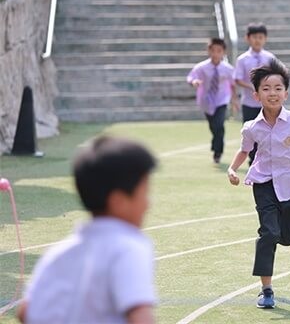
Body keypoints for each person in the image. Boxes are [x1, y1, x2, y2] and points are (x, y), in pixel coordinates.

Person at [227, 58, 290, 308]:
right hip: (264, 183)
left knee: (287, 237)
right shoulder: (251, 127)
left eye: (277, 88)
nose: (272, 93)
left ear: (286, 93)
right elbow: (244, 150)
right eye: (266, 88)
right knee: (268, 233)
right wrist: (232, 169)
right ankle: (266, 289)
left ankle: (287, 234)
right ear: (256, 95)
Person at [18, 137, 157, 324]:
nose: (148, 204)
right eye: (144, 194)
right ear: (118, 202)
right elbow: (140, 316)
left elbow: (25, 311)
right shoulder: (128, 247)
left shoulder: (58, 252)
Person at [187, 38, 239, 164]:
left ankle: (218, 152)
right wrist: (194, 82)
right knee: (213, 126)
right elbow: (191, 76)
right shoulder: (202, 67)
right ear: (208, 51)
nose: (216, 53)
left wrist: (234, 100)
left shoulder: (227, 69)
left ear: (223, 52)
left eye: (219, 51)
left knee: (219, 124)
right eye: (213, 50)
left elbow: (233, 84)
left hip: (221, 100)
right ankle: (216, 144)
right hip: (206, 100)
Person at [234, 23, 276, 163]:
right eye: (254, 37)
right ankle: (253, 159)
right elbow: (237, 79)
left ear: (265, 39)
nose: (257, 40)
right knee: (251, 132)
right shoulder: (243, 59)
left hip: (267, 103)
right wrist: (252, 87)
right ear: (248, 38)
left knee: (268, 132)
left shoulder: (270, 58)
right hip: (249, 102)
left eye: (260, 37)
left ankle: (266, 159)